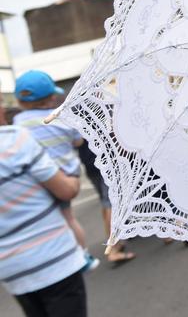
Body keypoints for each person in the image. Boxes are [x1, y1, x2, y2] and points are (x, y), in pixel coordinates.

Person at [12, 70, 99, 272]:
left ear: (19, 101)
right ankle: (82, 255)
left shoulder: (18, 123)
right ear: (51, 97)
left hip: (36, 179)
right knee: (68, 217)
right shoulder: (60, 118)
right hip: (66, 176)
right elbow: (78, 141)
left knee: (47, 220)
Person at [0, 119, 88, 316]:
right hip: (53, 258)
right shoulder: (13, 138)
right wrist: (72, 177)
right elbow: (66, 191)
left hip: (11, 271)